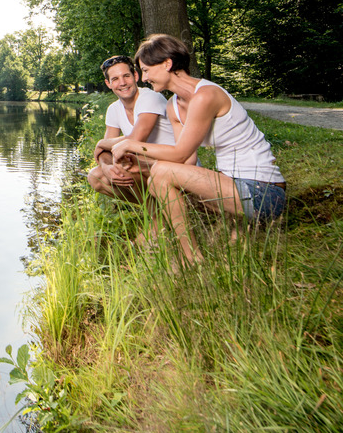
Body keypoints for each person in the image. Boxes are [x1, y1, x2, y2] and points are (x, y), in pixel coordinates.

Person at [111, 34, 286, 264]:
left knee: (161, 173)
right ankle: (191, 253)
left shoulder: (206, 96)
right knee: (157, 179)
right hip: (232, 187)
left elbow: (181, 152)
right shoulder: (174, 106)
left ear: (167, 64)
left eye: (146, 70)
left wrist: (131, 144)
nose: (143, 79)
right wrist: (139, 164)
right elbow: (187, 161)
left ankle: (190, 257)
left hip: (265, 192)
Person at [87, 54, 181, 203]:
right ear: (108, 83)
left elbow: (135, 140)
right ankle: (154, 208)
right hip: (146, 167)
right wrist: (105, 166)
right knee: (96, 176)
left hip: (175, 165)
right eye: (115, 79)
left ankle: (155, 217)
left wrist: (100, 143)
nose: (122, 83)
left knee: (127, 166)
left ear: (135, 76)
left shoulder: (151, 98)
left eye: (126, 76)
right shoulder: (113, 109)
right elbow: (106, 152)